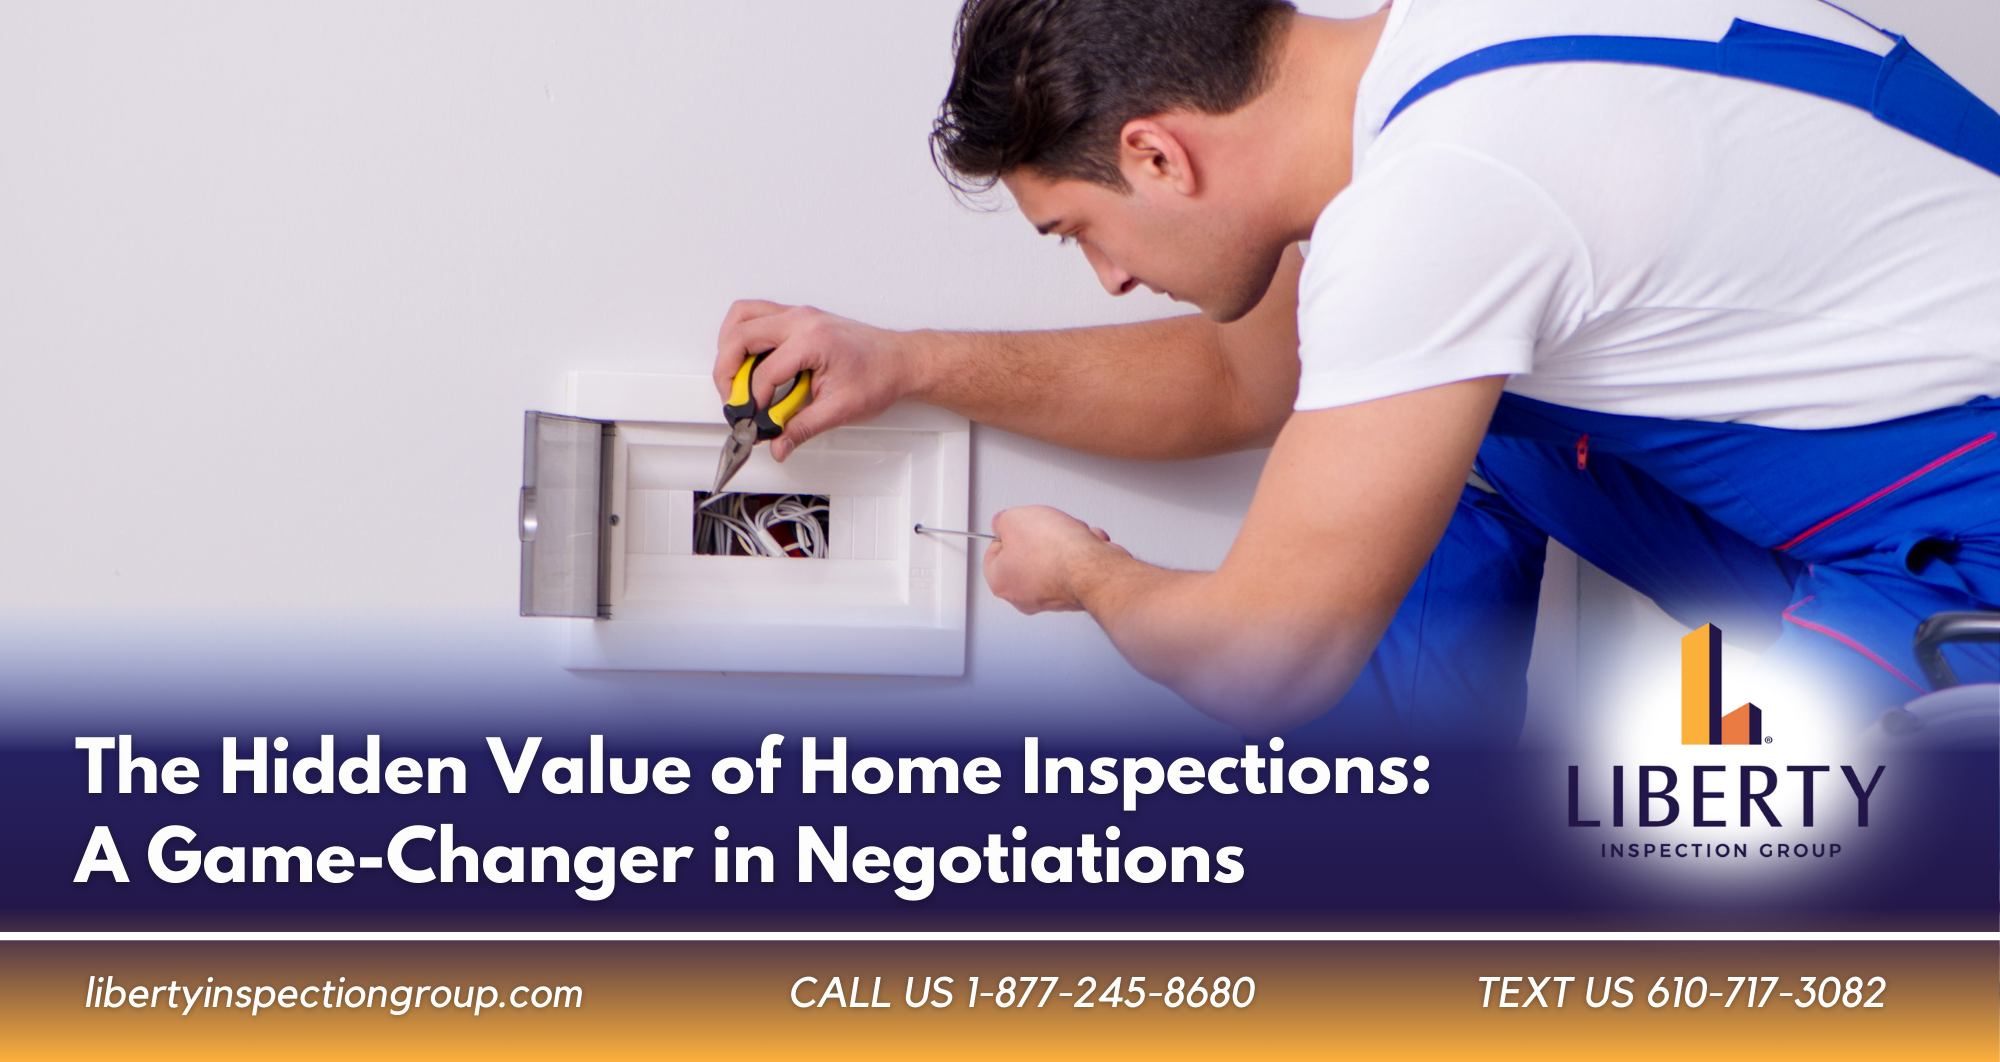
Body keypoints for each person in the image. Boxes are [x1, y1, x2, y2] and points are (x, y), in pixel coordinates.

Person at [713, 0, 2000, 744]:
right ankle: (1413, 857)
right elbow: (1250, 388)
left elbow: (1266, 659)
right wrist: (905, 362)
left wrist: (1087, 574)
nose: (1104, 276)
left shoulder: (1440, 202)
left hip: (1970, 542)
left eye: (1078, 233)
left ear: (1157, 157)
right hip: (1896, 486)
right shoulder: (1445, 69)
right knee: (1447, 441)